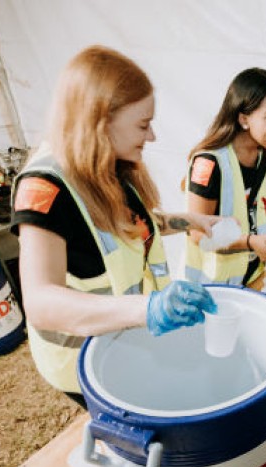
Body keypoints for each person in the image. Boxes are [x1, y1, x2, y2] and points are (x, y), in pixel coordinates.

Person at [11, 45, 218, 406]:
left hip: (125, 341)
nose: (151, 136)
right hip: (85, 361)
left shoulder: (107, 164)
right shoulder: (43, 188)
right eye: (142, 124)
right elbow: (41, 302)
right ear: (100, 120)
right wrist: (149, 308)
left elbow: (131, 227)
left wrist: (193, 221)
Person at [182, 67, 266, 285]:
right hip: (210, 288)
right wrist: (251, 242)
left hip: (254, 278)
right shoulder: (208, 163)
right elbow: (197, 234)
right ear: (244, 119)